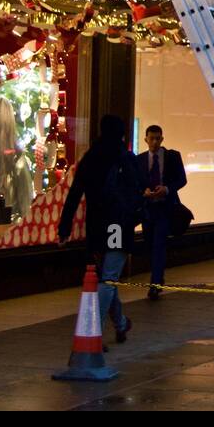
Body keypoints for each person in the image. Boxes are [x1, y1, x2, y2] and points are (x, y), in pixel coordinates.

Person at [58, 115, 144, 345]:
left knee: (106, 277)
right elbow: (137, 191)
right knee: (109, 278)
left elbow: (75, 193)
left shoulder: (90, 158)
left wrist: (64, 227)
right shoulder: (124, 158)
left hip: (95, 225)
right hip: (117, 225)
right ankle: (94, 331)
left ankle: (121, 323)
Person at [136, 124, 187, 301]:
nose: (155, 142)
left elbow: (182, 179)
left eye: (158, 138)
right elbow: (135, 182)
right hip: (148, 209)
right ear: (146, 139)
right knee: (150, 244)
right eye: (152, 138)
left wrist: (166, 189)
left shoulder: (172, 157)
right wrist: (144, 192)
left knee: (159, 244)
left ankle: (155, 283)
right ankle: (158, 278)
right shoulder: (140, 160)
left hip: (165, 208)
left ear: (162, 139)